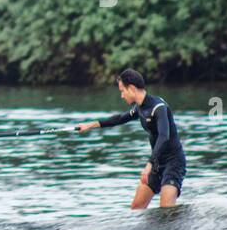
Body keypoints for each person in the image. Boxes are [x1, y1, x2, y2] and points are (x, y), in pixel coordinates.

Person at [76, 68, 186, 209]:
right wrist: (88, 125)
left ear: (132, 88)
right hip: (157, 162)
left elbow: (164, 136)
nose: (122, 95)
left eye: (122, 91)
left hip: (173, 162)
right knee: (136, 208)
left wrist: (149, 165)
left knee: (166, 210)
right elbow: (119, 119)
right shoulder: (140, 108)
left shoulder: (158, 108)